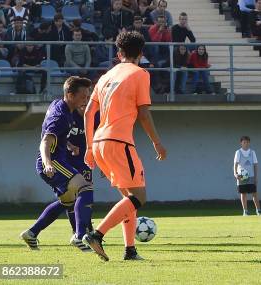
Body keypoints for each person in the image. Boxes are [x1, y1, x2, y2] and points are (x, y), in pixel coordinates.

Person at [83, 31, 167, 261]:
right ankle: (96, 234)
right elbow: (143, 114)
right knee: (139, 196)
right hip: (119, 141)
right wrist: (157, 143)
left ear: (119, 53)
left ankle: (130, 250)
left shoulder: (105, 76)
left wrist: (90, 148)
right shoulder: (140, 74)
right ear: (141, 53)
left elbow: (89, 112)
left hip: (100, 142)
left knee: (128, 199)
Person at [20, 76, 95, 253]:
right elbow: (45, 141)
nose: (86, 99)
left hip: (56, 159)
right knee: (85, 187)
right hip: (53, 162)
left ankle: (31, 233)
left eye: (87, 95)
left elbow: (53, 134)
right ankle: (79, 235)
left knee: (67, 202)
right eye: (83, 96)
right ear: (70, 94)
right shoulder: (61, 116)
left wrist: (68, 145)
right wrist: (47, 164)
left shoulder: (61, 106)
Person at [233, 136, 261, 216]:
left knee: (254, 193)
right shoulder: (238, 152)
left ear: (249, 143)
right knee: (243, 193)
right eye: (244, 142)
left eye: (247, 142)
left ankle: (258, 211)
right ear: (241, 143)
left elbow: (255, 165)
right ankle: (245, 211)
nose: (245, 144)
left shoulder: (252, 152)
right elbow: (235, 164)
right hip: (242, 176)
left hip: (251, 176)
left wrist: (256, 177)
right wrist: (235, 173)